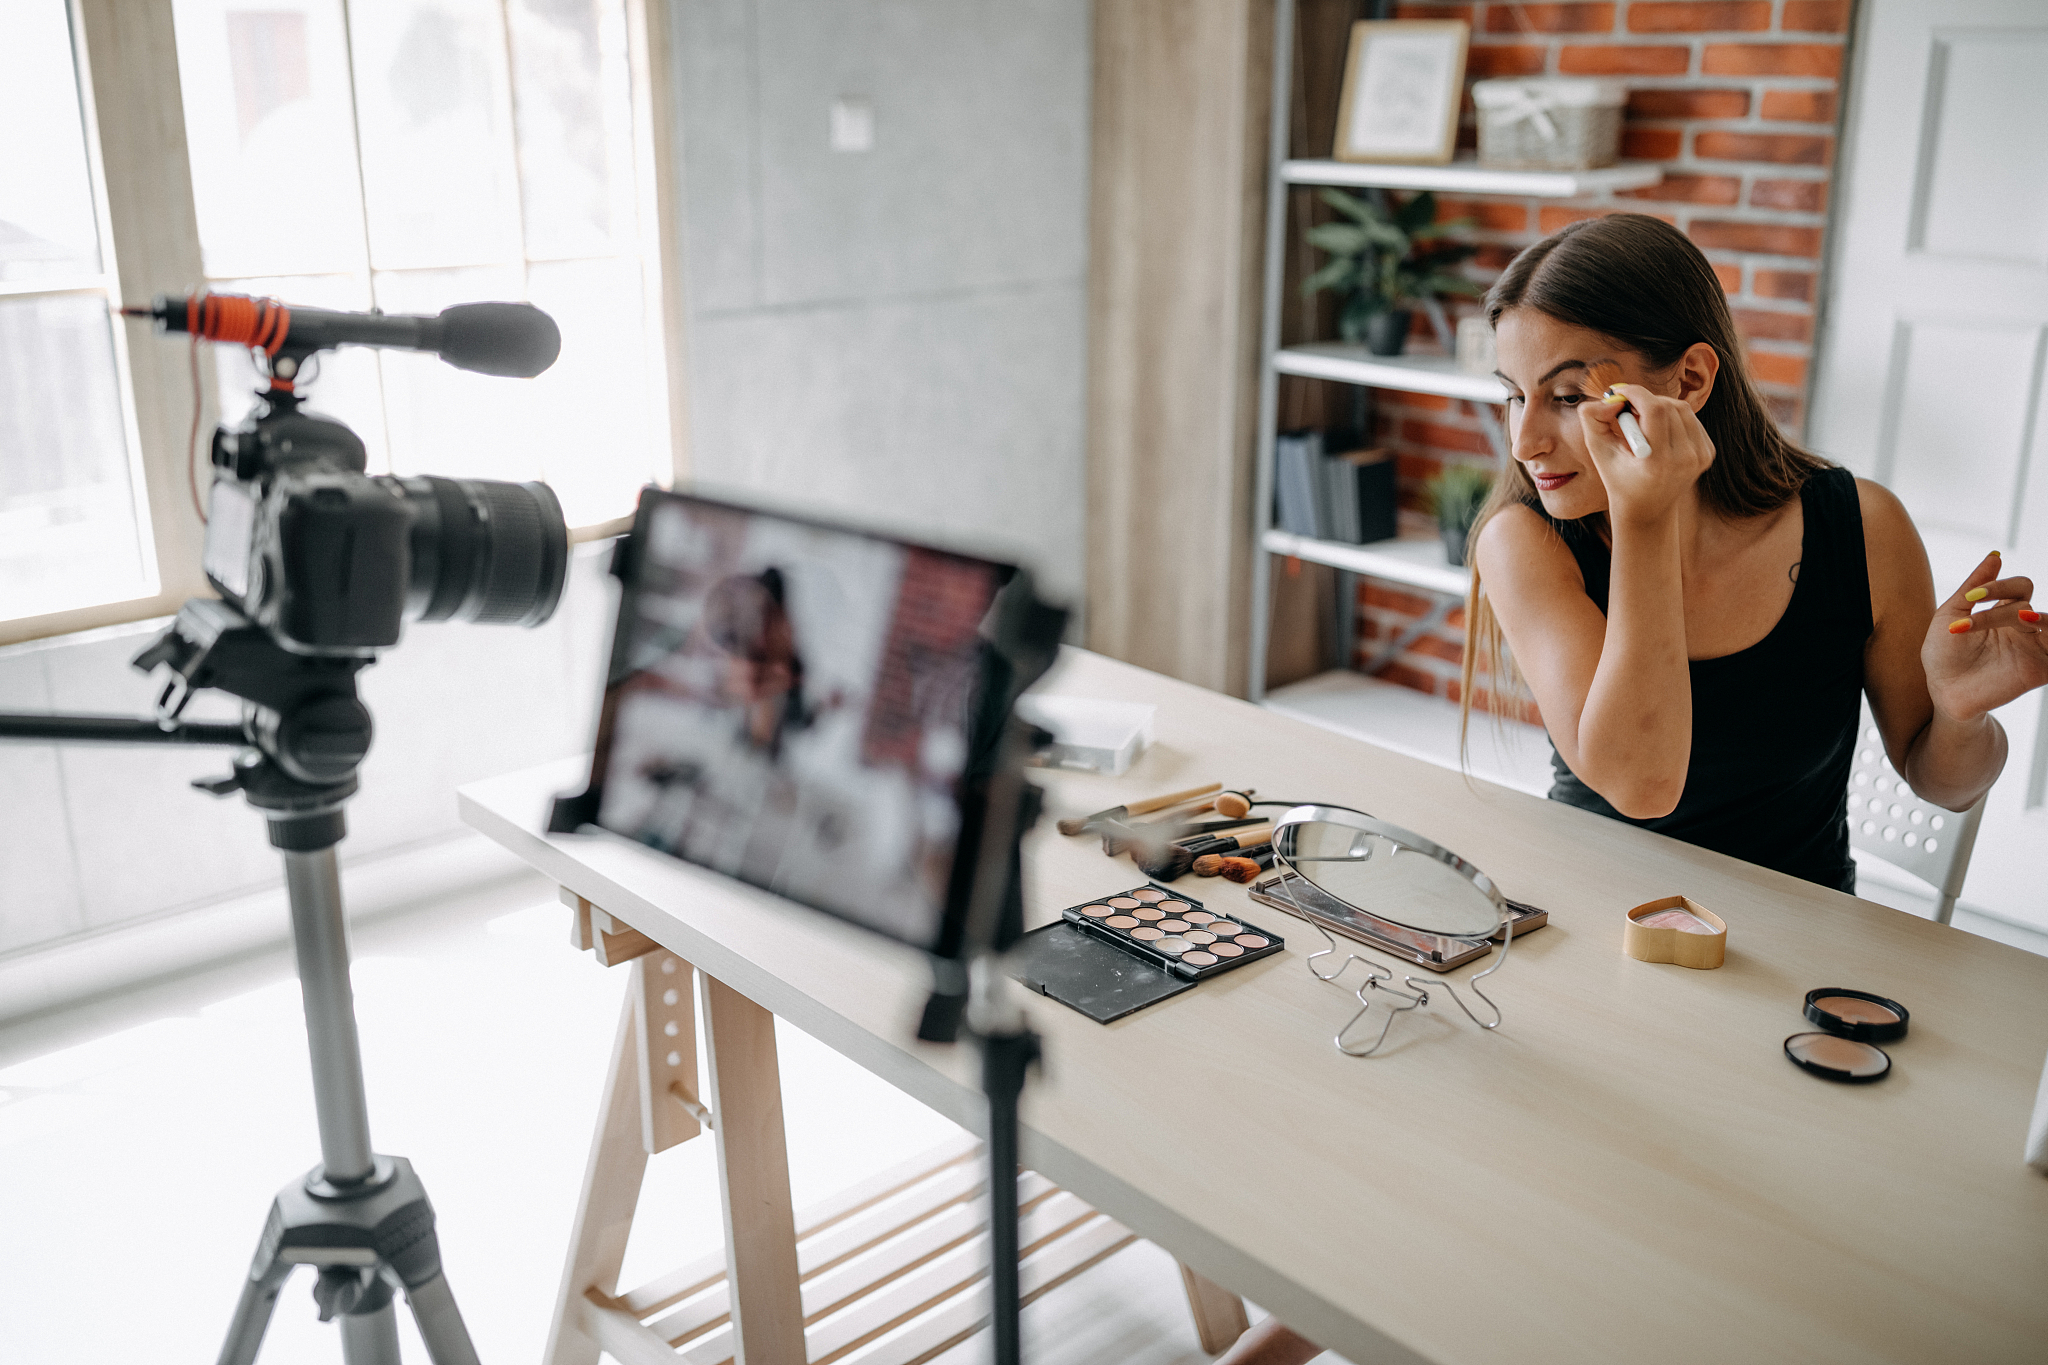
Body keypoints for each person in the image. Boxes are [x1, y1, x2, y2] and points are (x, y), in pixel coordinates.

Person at [1215, 212, 2045, 1365]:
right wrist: (1644, 519)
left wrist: (1959, 715)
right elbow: (1641, 784)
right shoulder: (1526, 536)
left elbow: (1938, 781)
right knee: (1466, 1211)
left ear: (1690, 378)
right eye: (1508, 395)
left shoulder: (1857, 525)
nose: (1529, 439)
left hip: (1786, 969)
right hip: (1579, 950)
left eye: (1565, 393)